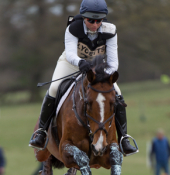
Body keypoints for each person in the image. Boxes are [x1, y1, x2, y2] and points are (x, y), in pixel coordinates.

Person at [29, 0, 137, 155]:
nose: (94, 24)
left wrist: (102, 74)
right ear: (84, 17)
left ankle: (124, 138)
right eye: (90, 20)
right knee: (53, 88)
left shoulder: (110, 31)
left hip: (98, 67)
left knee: (118, 94)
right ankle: (41, 132)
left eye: (98, 20)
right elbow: (71, 54)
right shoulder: (73, 28)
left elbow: (113, 64)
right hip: (72, 63)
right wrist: (81, 63)